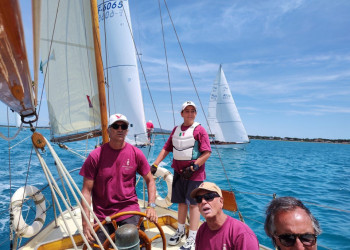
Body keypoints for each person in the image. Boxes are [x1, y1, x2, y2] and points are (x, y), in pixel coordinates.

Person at [80, 113, 157, 246]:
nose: (120, 129)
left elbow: (150, 180)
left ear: (127, 130)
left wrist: (151, 206)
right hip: (103, 215)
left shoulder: (136, 153)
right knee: (96, 245)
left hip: (129, 210)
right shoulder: (95, 156)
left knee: (138, 245)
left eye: (124, 126)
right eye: (116, 126)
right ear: (108, 130)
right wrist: (86, 221)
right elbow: (86, 191)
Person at [151, 101, 211, 250]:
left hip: (194, 174)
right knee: (181, 203)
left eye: (193, 111)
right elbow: (166, 148)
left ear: (195, 113)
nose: (190, 113)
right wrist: (155, 164)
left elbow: (207, 152)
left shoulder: (200, 130)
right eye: (187, 111)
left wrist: (194, 166)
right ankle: (180, 231)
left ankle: (192, 237)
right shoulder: (176, 130)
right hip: (179, 172)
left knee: (194, 205)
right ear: (182, 113)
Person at [190, 182, 260, 250]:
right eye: (199, 199)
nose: (203, 202)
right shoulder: (202, 230)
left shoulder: (243, 235)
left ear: (221, 201)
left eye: (208, 197)